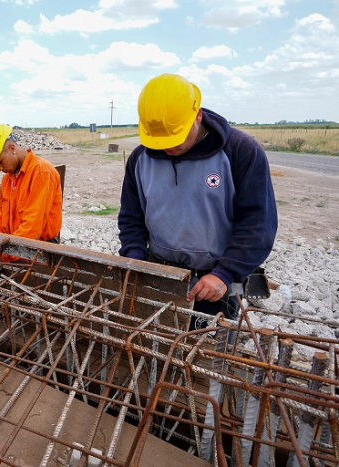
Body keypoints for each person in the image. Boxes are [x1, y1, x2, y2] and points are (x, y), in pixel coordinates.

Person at [118, 73, 277, 329]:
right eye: (161, 140)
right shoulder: (140, 159)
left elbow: (258, 225)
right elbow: (131, 218)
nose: (168, 148)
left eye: (176, 138)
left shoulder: (241, 152)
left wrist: (226, 273)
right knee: (156, 350)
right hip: (160, 276)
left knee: (206, 355)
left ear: (198, 116)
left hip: (214, 284)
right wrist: (135, 258)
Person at [0, 124, 62, 243]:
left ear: (12, 148)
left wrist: (2, 253)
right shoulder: (8, 179)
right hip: (14, 246)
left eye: (0, 162)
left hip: (39, 250)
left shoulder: (41, 172)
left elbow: (32, 228)